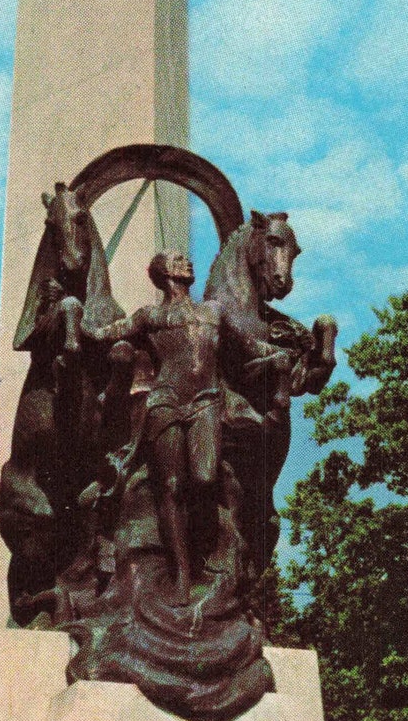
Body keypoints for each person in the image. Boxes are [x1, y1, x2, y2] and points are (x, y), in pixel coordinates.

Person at [91, 251, 288, 604]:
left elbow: (248, 346)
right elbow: (102, 334)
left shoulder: (214, 311)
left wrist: (277, 354)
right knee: (170, 486)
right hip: (165, 402)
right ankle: (181, 575)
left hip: (205, 402)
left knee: (203, 479)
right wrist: (70, 310)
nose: (188, 262)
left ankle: (202, 563)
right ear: (161, 272)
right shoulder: (149, 316)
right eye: (178, 259)